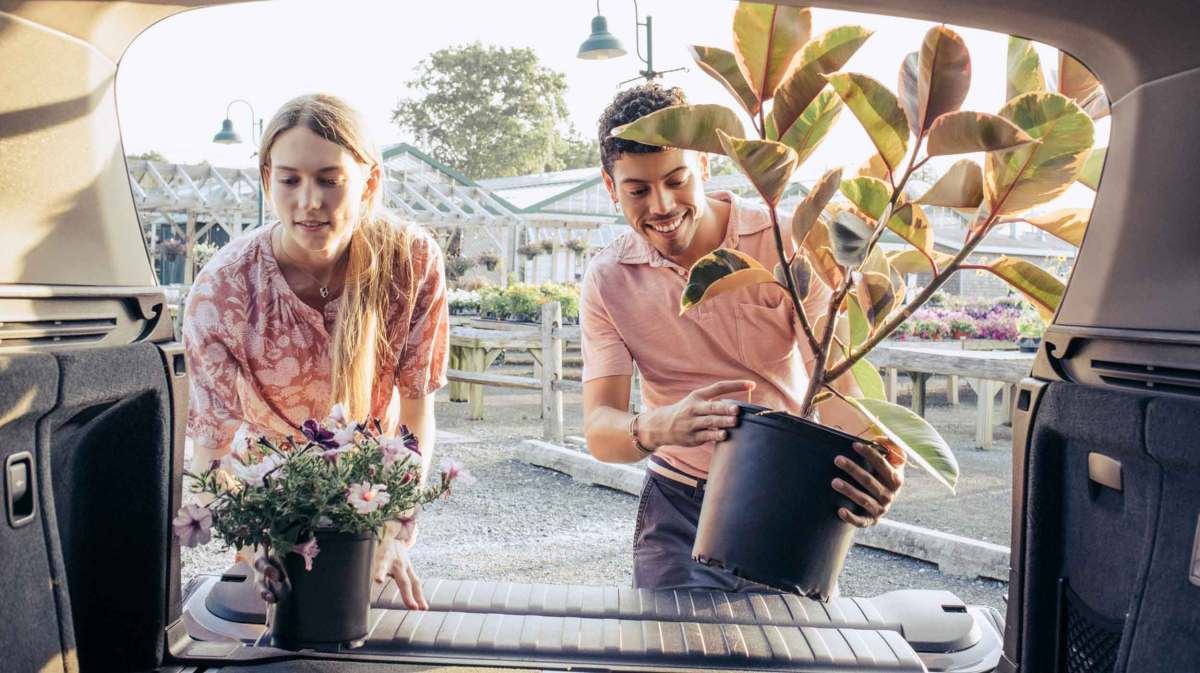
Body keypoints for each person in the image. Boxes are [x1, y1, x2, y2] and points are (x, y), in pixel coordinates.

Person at [580, 83, 904, 592]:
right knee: (673, 658)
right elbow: (600, 430)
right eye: (637, 190)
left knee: (787, 656)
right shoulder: (609, 278)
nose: (661, 206)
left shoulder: (788, 242)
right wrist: (659, 426)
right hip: (676, 505)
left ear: (705, 167)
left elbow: (837, 388)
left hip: (783, 493)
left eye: (677, 180)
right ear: (609, 186)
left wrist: (874, 464)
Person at [183, 93, 449, 610]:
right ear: (267, 179)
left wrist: (389, 531)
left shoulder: (412, 261)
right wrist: (257, 546)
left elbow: (415, 415)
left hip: (370, 498)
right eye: (290, 180)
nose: (309, 201)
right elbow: (211, 453)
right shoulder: (223, 289)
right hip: (268, 500)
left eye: (330, 179)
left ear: (369, 182)